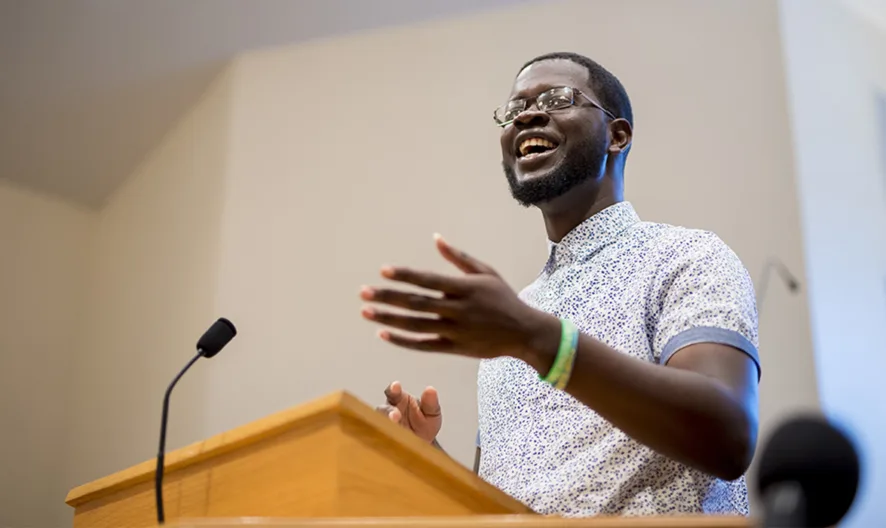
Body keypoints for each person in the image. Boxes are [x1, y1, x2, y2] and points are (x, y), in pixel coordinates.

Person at [358, 51, 760, 517]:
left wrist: (539, 339)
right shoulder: (514, 320)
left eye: (558, 98)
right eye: (514, 109)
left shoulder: (685, 257)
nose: (527, 114)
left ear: (617, 135)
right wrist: (426, 459)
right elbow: (500, 515)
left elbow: (728, 438)